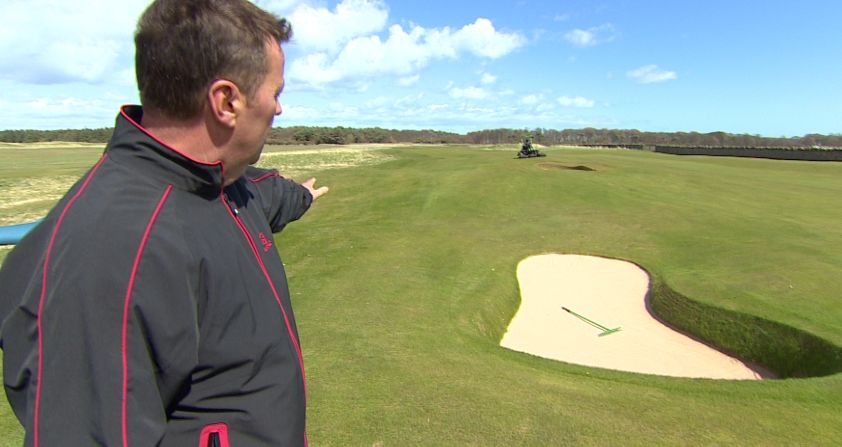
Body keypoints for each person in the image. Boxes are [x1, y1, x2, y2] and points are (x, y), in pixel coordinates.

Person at [0, 1, 327, 445]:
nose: (278, 109)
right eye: (276, 92)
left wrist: (302, 196)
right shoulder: (110, 249)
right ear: (227, 101)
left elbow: (268, 194)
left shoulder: (220, 185)